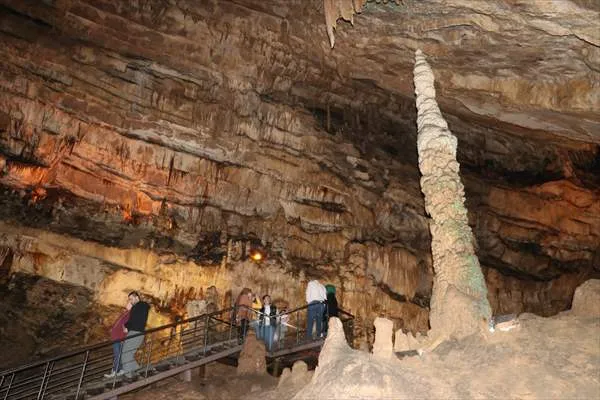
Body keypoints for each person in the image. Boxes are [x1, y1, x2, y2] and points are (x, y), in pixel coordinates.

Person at [121, 291, 150, 377]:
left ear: (137, 297)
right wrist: (127, 326)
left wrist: (127, 326)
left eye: (131, 299)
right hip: (136, 332)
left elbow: (134, 320)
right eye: (129, 299)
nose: (130, 301)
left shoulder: (141, 306)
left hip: (136, 332)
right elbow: (133, 320)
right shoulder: (139, 307)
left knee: (125, 354)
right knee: (128, 354)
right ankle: (138, 370)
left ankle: (128, 376)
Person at [104, 299, 132, 378]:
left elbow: (126, 327)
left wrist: (124, 334)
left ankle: (115, 371)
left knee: (117, 354)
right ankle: (121, 369)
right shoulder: (125, 313)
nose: (127, 304)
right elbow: (119, 323)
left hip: (119, 337)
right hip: (117, 336)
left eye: (129, 303)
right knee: (119, 354)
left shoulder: (129, 314)